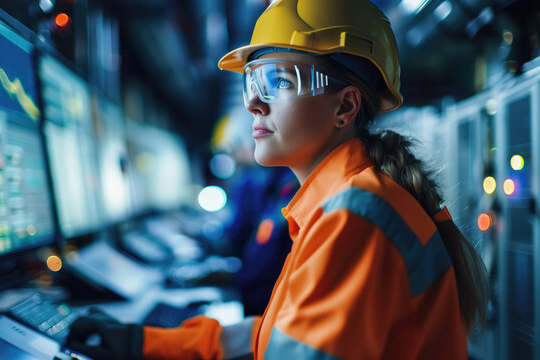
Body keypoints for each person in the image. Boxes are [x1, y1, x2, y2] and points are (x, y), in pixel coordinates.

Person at [65, 0, 489, 358]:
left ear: (345, 106)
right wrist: (147, 343)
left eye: (277, 81)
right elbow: (275, 335)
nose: (252, 103)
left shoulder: (356, 217)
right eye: (253, 81)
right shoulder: (341, 203)